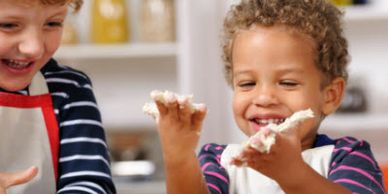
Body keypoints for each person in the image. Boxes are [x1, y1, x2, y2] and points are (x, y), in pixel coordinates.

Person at [153, 0, 386, 194]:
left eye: (287, 83)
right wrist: (179, 157)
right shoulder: (220, 161)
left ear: (330, 96)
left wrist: (292, 174)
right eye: (247, 83)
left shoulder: (347, 157)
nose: (264, 98)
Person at [0, 0, 116, 193]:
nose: (34, 48)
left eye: (52, 23)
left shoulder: (69, 90)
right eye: (8, 25)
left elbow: (90, 184)